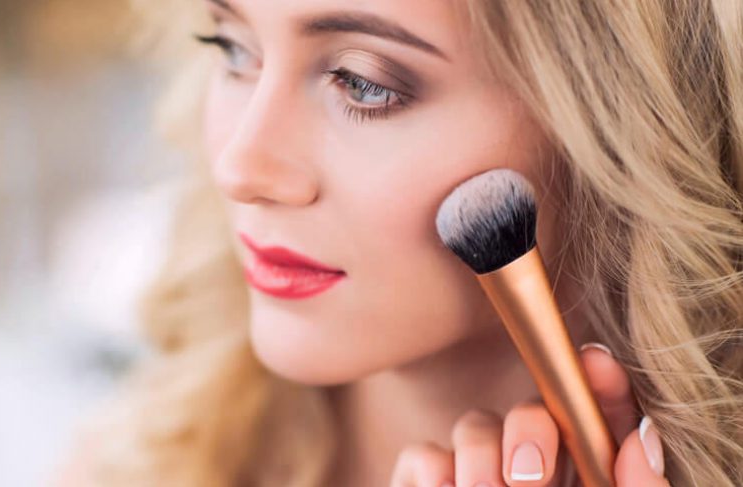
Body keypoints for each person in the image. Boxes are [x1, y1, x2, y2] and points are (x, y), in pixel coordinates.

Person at [65, 1, 743, 485]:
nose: (241, 167)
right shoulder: (138, 462)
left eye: (362, 83)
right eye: (234, 49)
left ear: (615, 132)